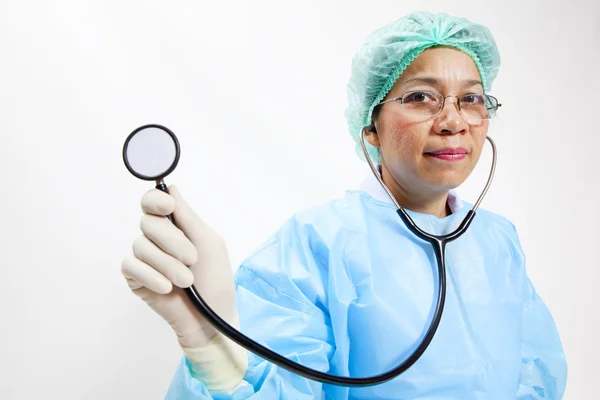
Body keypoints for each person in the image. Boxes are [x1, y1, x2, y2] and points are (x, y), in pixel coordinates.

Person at [121, 11, 568, 399]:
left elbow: (537, 375)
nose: (453, 122)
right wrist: (209, 345)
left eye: (471, 99)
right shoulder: (318, 245)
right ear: (370, 127)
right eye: (420, 97)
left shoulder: (497, 240)